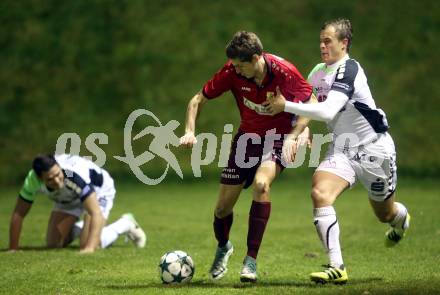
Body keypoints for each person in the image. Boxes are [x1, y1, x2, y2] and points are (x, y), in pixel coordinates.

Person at [264, 19, 410, 284]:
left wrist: (285, 106)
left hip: (374, 151)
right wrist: (299, 132)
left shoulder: (350, 70)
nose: (322, 45)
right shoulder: (318, 72)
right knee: (320, 192)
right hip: (342, 150)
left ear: (344, 43)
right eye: (321, 40)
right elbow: (309, 105)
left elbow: (327, 110)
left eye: (328, 40)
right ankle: (337, 266)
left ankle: (401, 220)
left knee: (384, 214)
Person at [180, 31, 315, 282]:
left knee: (261, 185)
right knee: (221, 209)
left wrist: (296, 134)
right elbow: (197, 99)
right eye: (234, 66)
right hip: (247, 141)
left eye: (241, 66)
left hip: (278, 139)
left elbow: (312, 101)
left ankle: (250, 261)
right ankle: (224, 246)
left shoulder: (284, 72)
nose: (236, 71)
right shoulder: (231, 72)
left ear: (256, 59)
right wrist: (189, 130)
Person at [9, 154, 146, 254]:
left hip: (98, 191)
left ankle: (124, 224)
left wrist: (89, 248)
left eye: (58, 174)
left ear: (58, 166)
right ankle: (83, 228)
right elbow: (19, 214)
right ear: (40, 178)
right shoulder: (32, 180)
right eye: (50, 179)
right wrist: (13, 248)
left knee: (88, 242)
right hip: (68, 198)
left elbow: (95, 212)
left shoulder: (71, 175)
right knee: (53, 244)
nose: (57, 181)